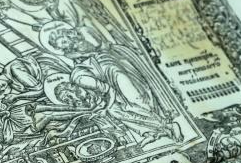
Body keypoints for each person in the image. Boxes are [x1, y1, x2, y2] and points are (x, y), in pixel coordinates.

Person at [41, 21, 181, 145]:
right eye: (60, 46)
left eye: (63, 42)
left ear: (68, 35)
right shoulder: (71, 58)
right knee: (116, 110)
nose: (64, 47)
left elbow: (101, 47)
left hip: (106, 63)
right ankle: (151, 131)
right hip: (92, 70)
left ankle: (164, 126)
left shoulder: (84, 35)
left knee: (132, 96)